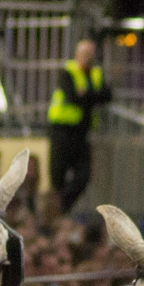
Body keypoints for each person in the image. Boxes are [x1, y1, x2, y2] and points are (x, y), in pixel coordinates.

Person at [46, 38, 111, 212]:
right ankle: (55, 211)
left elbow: (107, 95)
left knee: (83, 177)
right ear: (77, 55)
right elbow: (73, 97)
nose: (88, 57)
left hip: (82, 133)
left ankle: (60, 209)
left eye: (91, 54)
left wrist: (86, 95)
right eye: (85, 54)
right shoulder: (68, 72)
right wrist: (92, 96)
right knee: (57, 178)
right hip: (62, 130)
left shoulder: (96, 74)